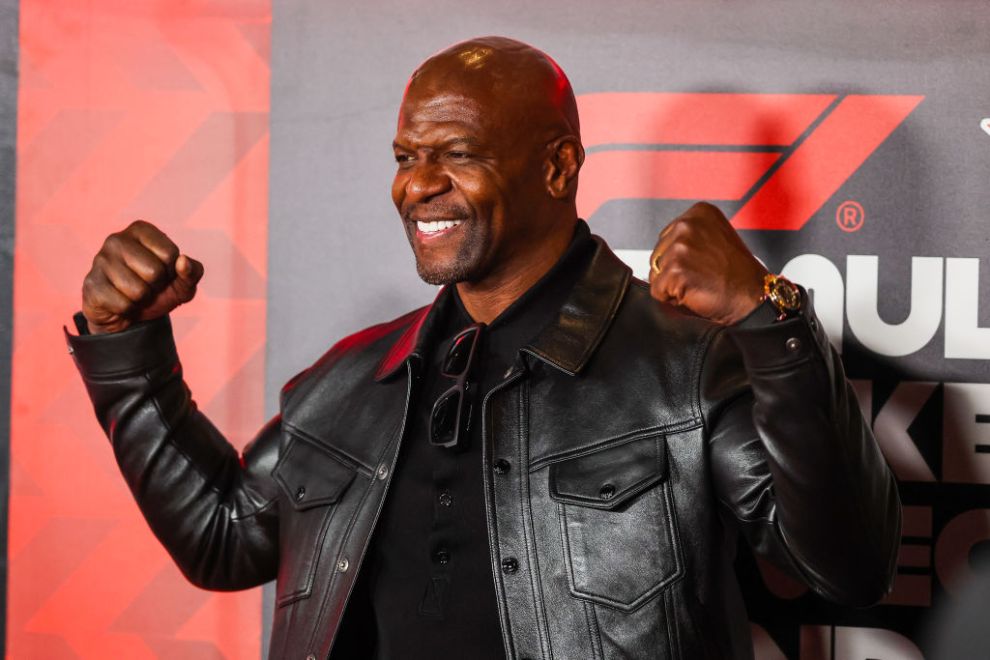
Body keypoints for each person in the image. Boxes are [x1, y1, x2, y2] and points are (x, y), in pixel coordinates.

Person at [67, 36, 900, 660]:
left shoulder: (687, 363)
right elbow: (223, 536)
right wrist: (126, 348)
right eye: (405, 156)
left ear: (558, 167)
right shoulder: (347, 383)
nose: (416, 184)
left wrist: (767, 316)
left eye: (455, 154)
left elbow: (846, 566)